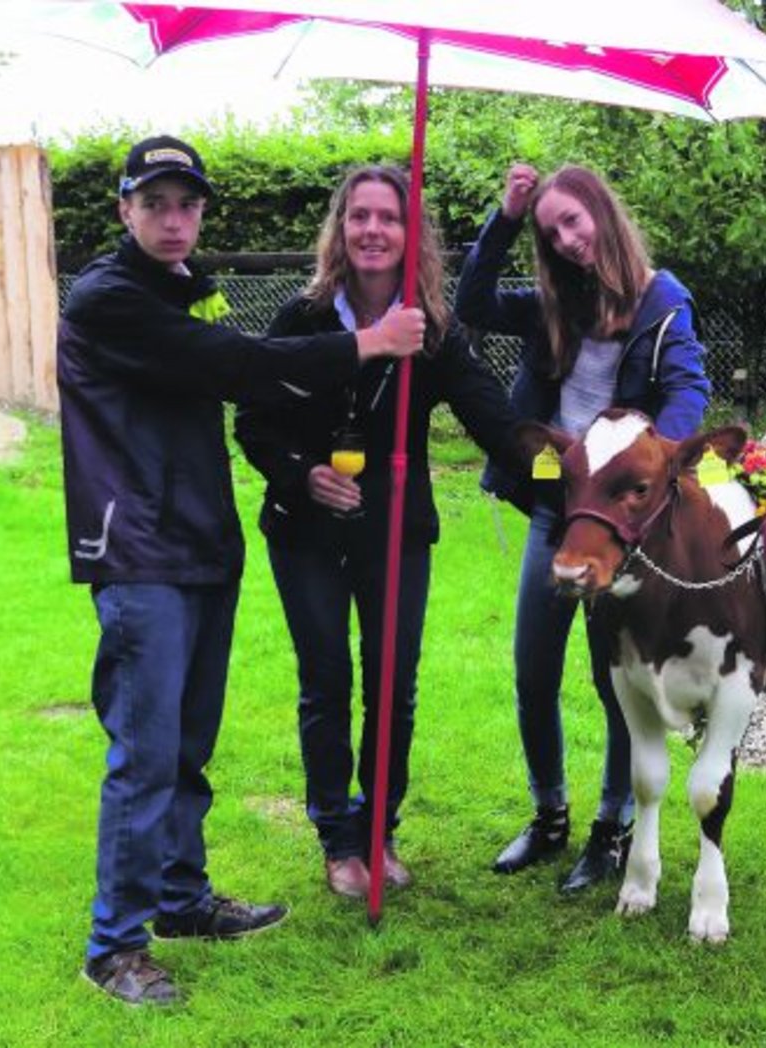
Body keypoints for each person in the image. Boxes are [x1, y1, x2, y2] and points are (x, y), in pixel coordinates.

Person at [59, 135, 420, 1007]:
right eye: (155, 204)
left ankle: (181, 898)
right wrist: (365, 344)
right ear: (125, 211)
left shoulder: (189, 290)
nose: (174, 220)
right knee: (145, 752)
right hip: (140, 551)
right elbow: (239, 369)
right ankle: (114, 946)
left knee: (187, 742)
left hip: (203, 543)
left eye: (187, 205)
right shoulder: (108, 298)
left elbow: (249, 383)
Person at [234, 164, 521, 901]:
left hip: (396, 531)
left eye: (388, 218)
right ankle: (337, 836)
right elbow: (254, 421)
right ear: (340, 228)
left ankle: (379, 828)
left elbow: (496, 421)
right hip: (304, 532)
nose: (372, 230)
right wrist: (300, 475)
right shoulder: (301, 317)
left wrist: (568, 473)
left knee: (393, 685)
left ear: (409, 233)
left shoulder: (432, 330)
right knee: (326, 680)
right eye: (358, 215)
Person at [455, 163, 711, 893]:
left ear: (602, 211)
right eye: (551, 231)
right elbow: (470, 303)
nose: (567, 240)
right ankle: (548, 816)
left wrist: (651, 458)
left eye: (574, 220)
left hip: (620, 530)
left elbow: (689, 384)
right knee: (533, 673)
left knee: (617, 683)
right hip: (555, 510)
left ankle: (611, 827)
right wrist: (505, 218)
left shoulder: (664, 303)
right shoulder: (550, 303)